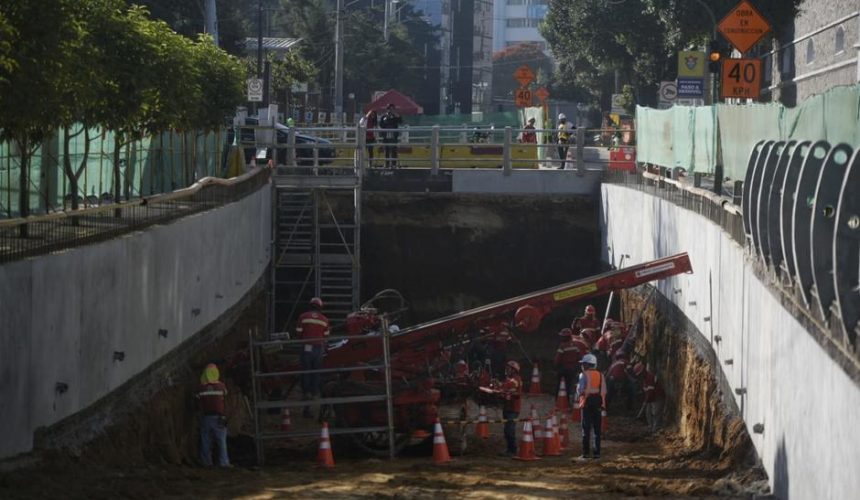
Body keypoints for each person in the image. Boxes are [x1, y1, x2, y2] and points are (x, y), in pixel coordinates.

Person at [296, 297, 330, 417]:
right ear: (320, 307)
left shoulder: (303, 317)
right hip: (318, 348)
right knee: (316, 371)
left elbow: (299, 332)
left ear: (310, 305)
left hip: (307, 347)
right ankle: (315, 392)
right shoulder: (325, 320)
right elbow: (326, 336)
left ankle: (306, 393)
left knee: (306, 370)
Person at [196, 363, 230, 467]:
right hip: (219, 418)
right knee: (221, 441)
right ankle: (223, 463)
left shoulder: (201, 388)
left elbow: (196, 401)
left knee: (205, 441)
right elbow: (226, 397)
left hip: (206, 417)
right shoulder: (221, 386)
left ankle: (206, 462)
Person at [576, 353, 606, 459]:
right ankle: (597, 453)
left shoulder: (583, 375)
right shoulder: (600, 375)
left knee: (586, 429)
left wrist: (579, 399)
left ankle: (585, 454)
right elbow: (603, 391)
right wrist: (603, 405)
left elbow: (580, 390)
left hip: (586, 404)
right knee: (597, 430)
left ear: (588, 364)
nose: (582, 366)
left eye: (584, 364)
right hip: (597, 404)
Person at [554, 328, 583, 404]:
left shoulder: (562, 346)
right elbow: (580, 357)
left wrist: (555, 367)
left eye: (563, 336)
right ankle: (568, 401)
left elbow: (557, 359)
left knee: (559, 385)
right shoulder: (576, 345)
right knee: (569, 385)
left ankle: (558, 400)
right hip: (573, 369)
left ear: (566, 337)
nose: (561, 338)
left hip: (563, 368)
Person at [500, 360, 523, 456]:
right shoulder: (508, 379)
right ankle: (509, 449)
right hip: (507, 407)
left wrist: (506, 393)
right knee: (507, 430)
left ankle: (513, 450)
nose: (507, 370)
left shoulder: (515, 380)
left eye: (509, 368)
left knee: (510, 430)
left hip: (513, 409)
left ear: (514, 370)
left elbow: (515, 393)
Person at [634, 363, 665, 432]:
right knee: (648, 412)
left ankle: (656, 429)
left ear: (643, 372)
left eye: (640, 374)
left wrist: (645, 402)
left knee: (656, 413)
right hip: (651, 398)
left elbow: (650, 393)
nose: (639, 376)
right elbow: (646, 392)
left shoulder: (649, 377)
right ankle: (650, 426)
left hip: (658, 396)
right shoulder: (644, 379)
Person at [379, 103, 402, 169]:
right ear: (387, 109)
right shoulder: (384, 116)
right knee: (387, 149)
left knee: (394, 149)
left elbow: (400, 121)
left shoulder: (396, 115)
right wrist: (386, 119)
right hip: (386, 134)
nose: (391, 110)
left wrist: (396, 115)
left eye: (392, 109)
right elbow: (381, 124)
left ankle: (394, 164)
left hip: (393, 134)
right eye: (390, 108)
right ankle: (387, 164)